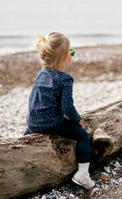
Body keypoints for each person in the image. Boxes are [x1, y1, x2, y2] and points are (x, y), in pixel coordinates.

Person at [23, 32, 95, 189]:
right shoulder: (65, 79)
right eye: (71, 51)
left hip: (33, 121)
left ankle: (22, 149)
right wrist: (77, 120)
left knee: (26, 138)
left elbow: (36, 100)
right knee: (82, 136)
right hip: (51, 123)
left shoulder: (41, 73)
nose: (72, 55)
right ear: (65, 57)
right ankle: (83, 174)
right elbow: (67, 107)